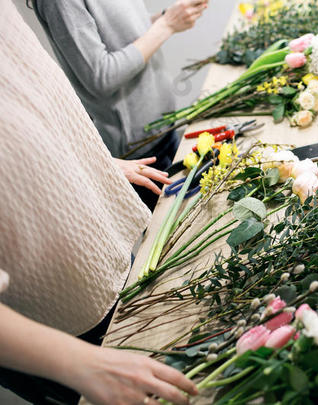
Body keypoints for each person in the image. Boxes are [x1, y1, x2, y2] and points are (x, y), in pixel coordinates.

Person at [0, 2, 197, 404]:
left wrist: (93, 161)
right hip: (56, 321)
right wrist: (78, 362)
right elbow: (100, 76)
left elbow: (31, 114)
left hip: (105, 263)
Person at [32, 0, 209, 209]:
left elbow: (123, 35)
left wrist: (166, 17)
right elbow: (101, 77)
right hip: (140, 149)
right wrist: (167, 25)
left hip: (165, 123)